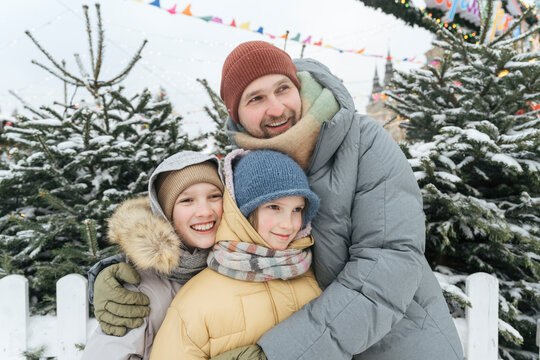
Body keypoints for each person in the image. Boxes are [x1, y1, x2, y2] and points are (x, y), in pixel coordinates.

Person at [92, 41, 464, 360]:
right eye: (256, 98)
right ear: (235, 115)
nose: (276, 109)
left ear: (298, 88)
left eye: (283, 89)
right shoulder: (244, 167)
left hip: (397, 344)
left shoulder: (363, 142)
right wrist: (129, 273)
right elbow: (205, 229)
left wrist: (278, 353)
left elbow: (389, 263)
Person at [150, 149, 322, 359]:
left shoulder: (313, 275)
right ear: (243, 211)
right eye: (274, 206)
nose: (288, 224)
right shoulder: (194, 302)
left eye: (297, 209)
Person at [82, 151, 224, 360]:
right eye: (187, 200)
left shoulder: (238, 265)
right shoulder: (141, 287)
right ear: (166, 213)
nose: (204, 211)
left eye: (214, 196)